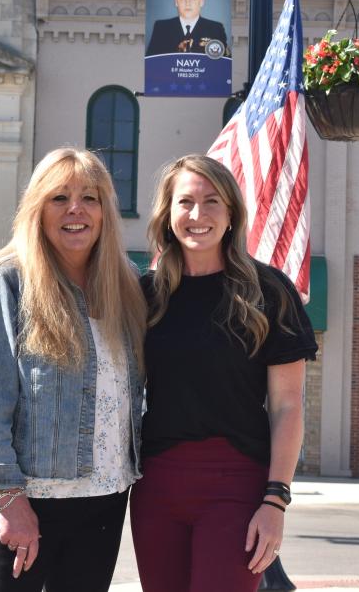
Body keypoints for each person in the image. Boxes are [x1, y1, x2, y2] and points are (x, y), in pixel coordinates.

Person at [0, 148, 147, 592]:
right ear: (37, 209)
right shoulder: (4, 282)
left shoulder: (127, 287)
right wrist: (9, 496)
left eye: (90, 198)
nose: (75, 209)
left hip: (105, 502)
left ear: (105, 213)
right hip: (23, 501)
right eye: (59, 197)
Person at [130, 154, 318, 592]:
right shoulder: (146, 297)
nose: (198, 215)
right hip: (157, 487)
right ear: (168, 213)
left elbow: (288, 406)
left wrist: (276, 500)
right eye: (185, 202)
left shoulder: (269, 292)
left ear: (231, 212)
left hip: (237, 487)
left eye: (212, 201)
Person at [145, 0, 229, 57]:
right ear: (176, 1)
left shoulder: (216, 29)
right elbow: (152, 63)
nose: (187, 3)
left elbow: (224, 63)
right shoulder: (161, 28)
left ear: (202, 1)